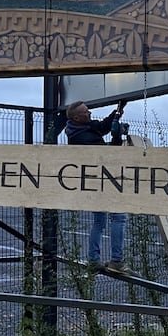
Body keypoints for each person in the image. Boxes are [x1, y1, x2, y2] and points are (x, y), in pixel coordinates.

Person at [63, 100, 128, 273]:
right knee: (119, 217)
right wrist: (117, 137)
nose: (89, 113)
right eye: (86, 112)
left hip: (92, 181)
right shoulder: (79, 137)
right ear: (77, 117)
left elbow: (102, 126)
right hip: (102, 179)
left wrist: (117, 112)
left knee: (99, 222)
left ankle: (93, 259)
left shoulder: (79, 129)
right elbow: (105, 154)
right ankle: (116, 260)